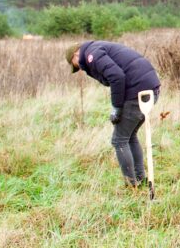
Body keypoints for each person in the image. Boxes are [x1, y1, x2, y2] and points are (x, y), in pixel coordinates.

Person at [67, 41, 161, 188]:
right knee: (129, 136)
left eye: (75, 65)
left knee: (119, 140)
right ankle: (140, 179)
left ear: (75, 55)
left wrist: (116, 107)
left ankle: (131, 185)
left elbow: (117, 76)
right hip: (150, 87)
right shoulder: (97, 48)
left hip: (138, 90)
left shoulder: (92, 54)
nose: (78, 68)